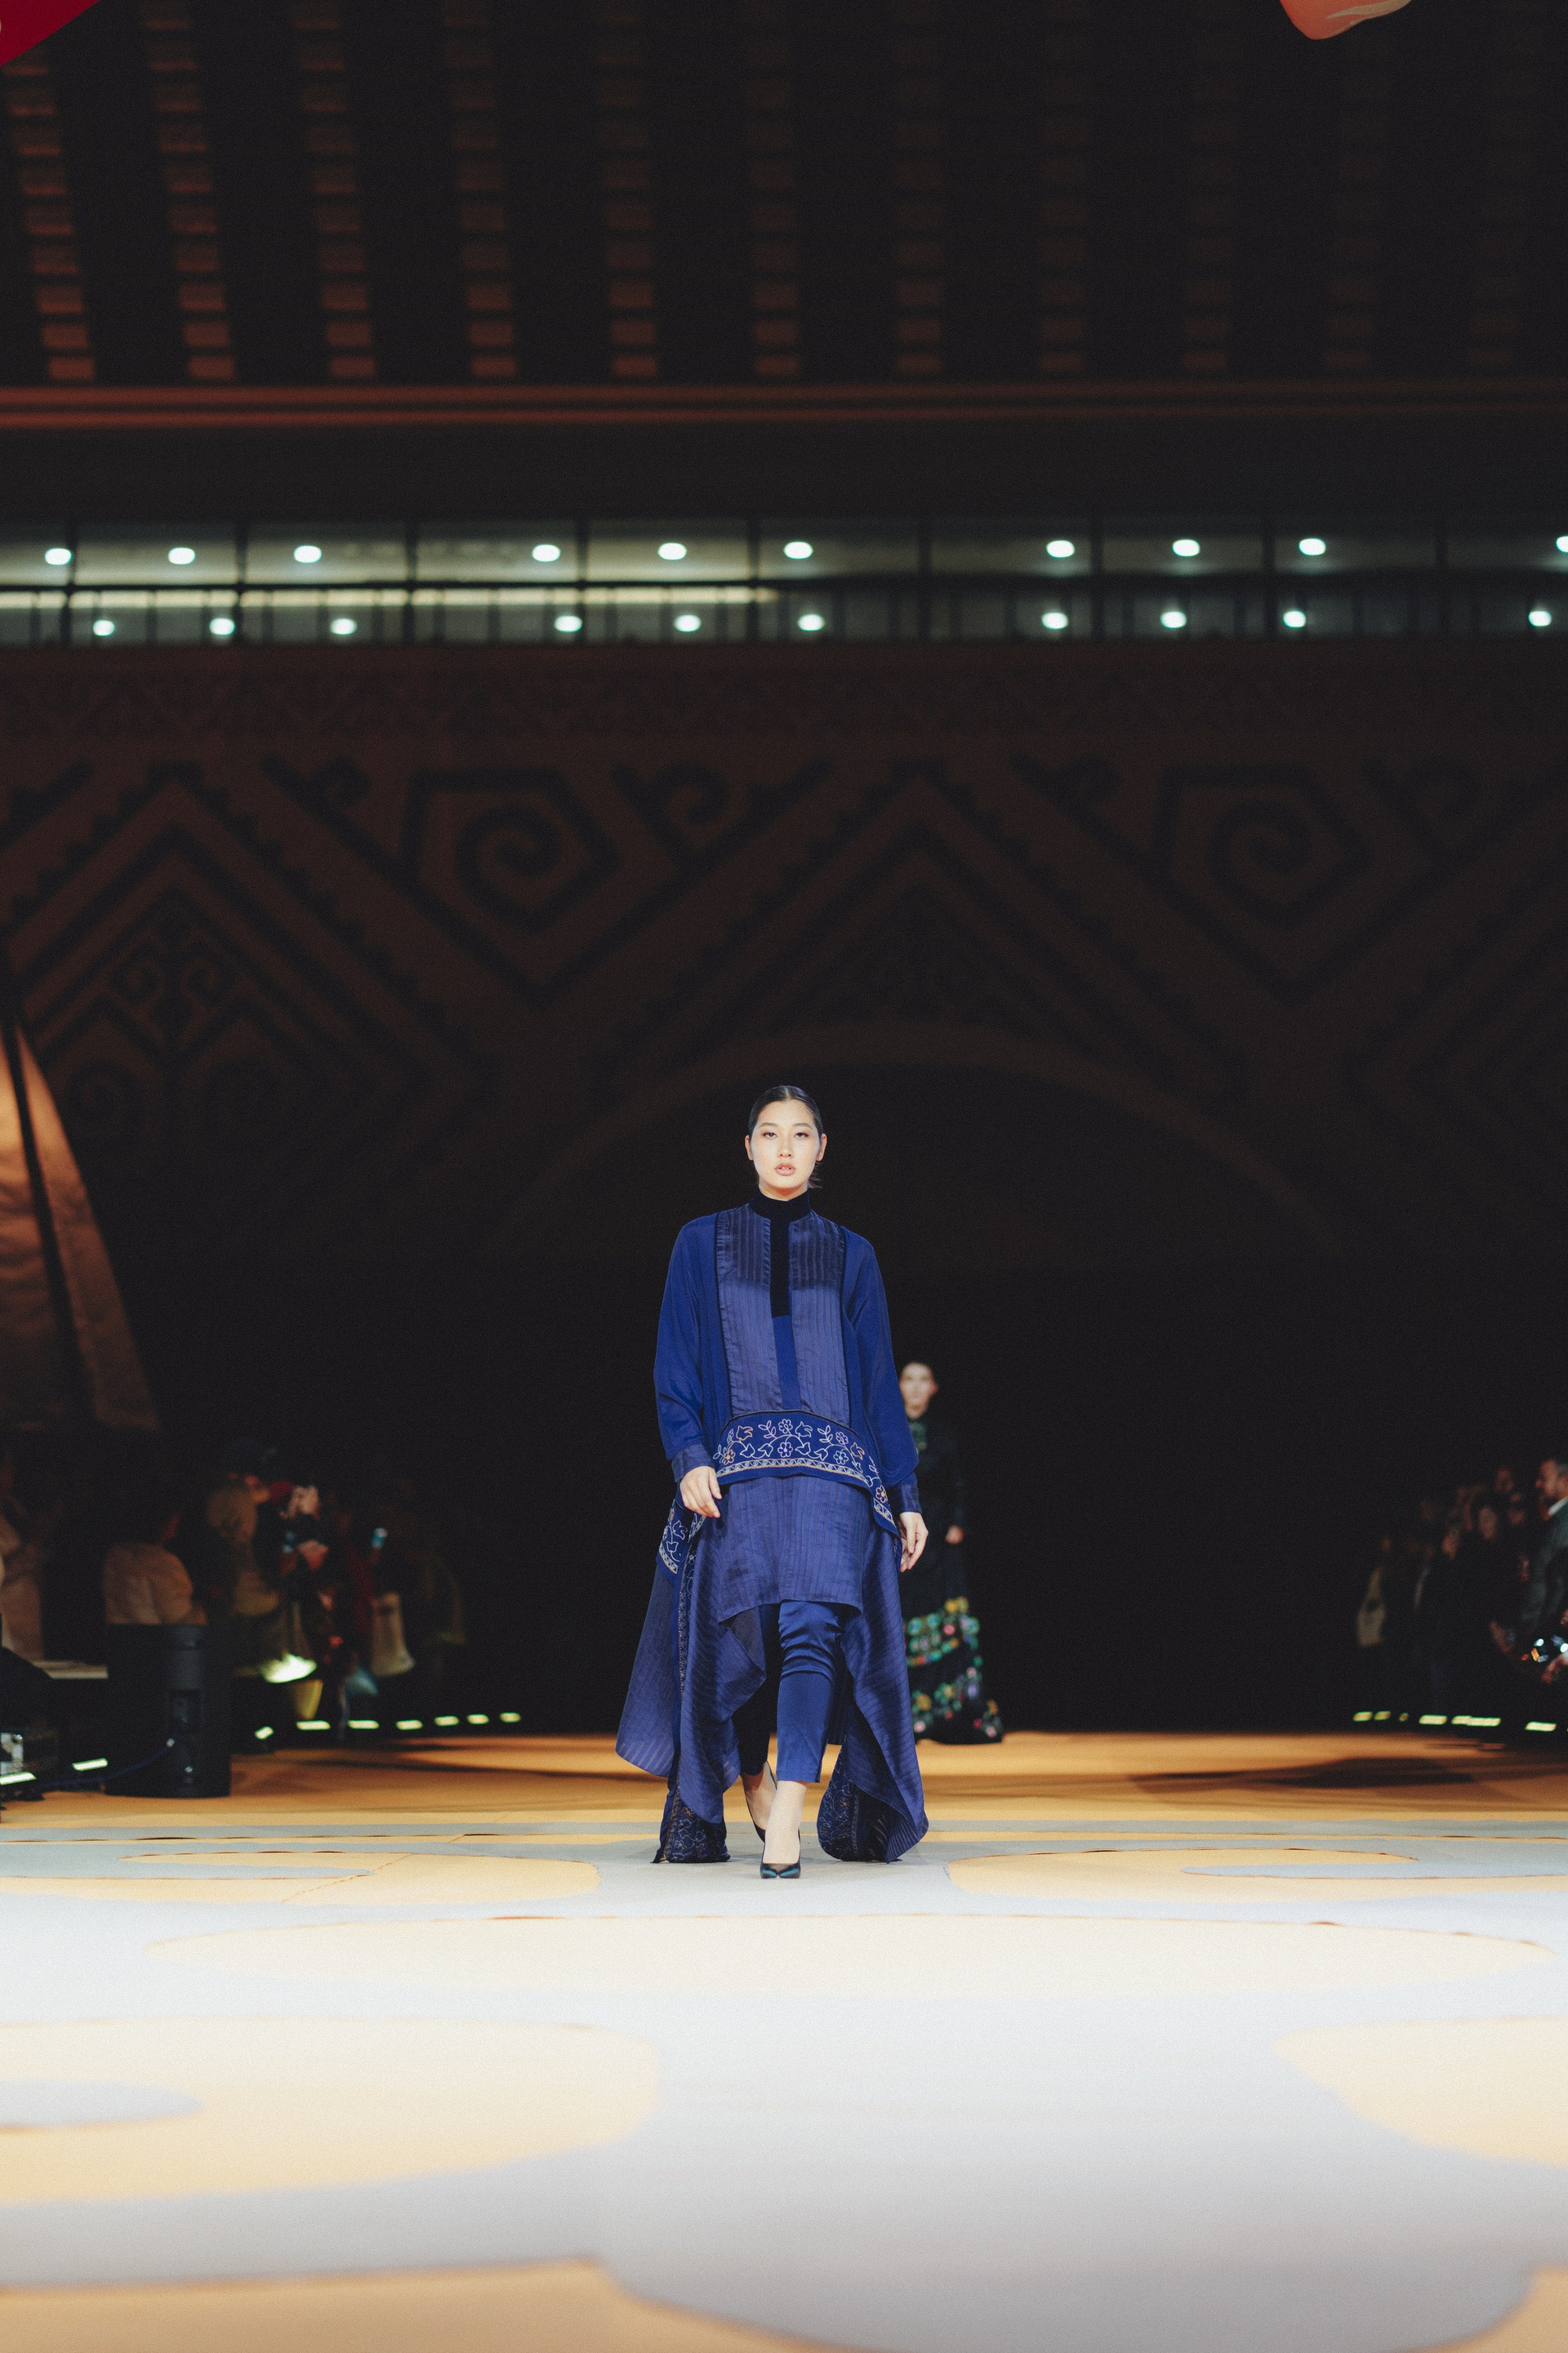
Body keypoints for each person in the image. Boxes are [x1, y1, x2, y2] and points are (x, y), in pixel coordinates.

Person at [617, 1085, 929, 1876]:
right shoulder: (700, 1242)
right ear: (748, 1147)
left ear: (822, 1148)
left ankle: (789, 1806)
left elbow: (877, 1379)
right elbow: (674, 1361)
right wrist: (689, 1454)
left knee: (812, 1627)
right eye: (769, 1133)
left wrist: (905, 1492)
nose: (784, 1148)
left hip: (834, 1474)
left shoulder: (853, 1253)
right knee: (745, 1632)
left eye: (800, 1134)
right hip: (738, 1475)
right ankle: (753, 1777)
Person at [898, 1360, 1002, 1743]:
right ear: (898, 1386)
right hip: (899, 1540)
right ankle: (902, 1717)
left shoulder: (943, 1434)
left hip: (939, 1541)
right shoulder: (888, 1432)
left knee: (946, 1626)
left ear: (934, 1388)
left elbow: (958, 1483)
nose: (915, 1387)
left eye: (923, 1380)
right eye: (909, 1379)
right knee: (900, 1621)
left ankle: (943, 1714)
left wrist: (958, 1523)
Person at [102, 1491, 204, 1627]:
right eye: (173, 1521)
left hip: (119, 1639)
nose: (175, 1525)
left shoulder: (116, 1554)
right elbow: (185, 1623)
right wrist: (204, 1606)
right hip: (154, 1639)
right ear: (165, 1523)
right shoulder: (162, 1563)